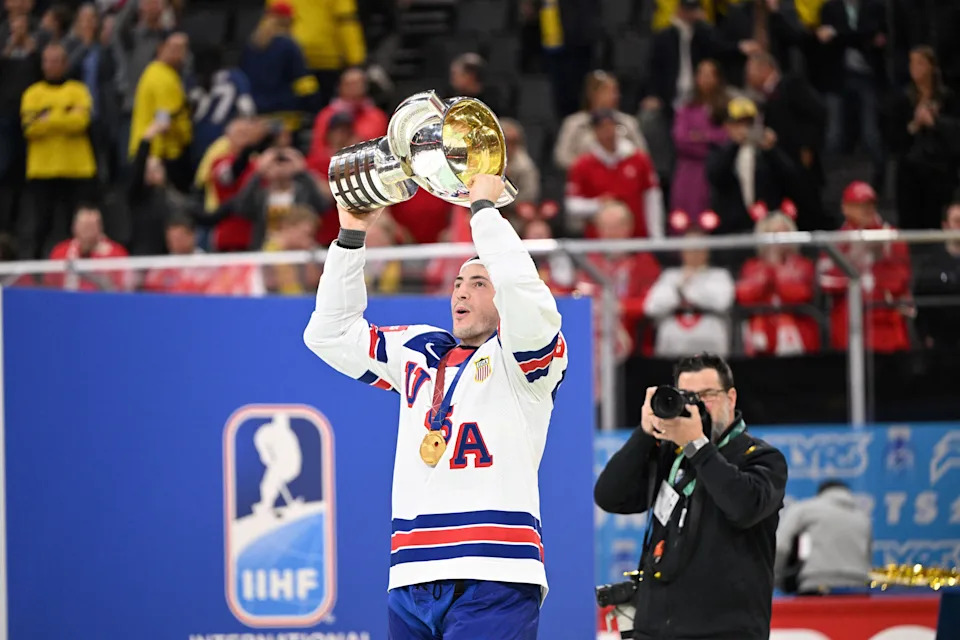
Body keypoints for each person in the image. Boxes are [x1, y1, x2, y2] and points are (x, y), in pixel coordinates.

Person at [303, 174, 568, 639]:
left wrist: (484, 210)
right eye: (459, 282)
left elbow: (529, 297)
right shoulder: (420, 352)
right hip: (411, 575)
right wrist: (350, 237)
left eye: (480, 282)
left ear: (503, 297)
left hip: (495, 572)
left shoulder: (526, 361)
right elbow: (328, 334)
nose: (461, 291)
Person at [595, 353, 787, 639]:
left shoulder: (762, 458)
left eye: (707, 395)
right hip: (655, 630)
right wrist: (645, 433)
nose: (697, 406)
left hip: (725, 632)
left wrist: (697, 444)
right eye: (687, 396)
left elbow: (743, 506)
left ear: (731, 398)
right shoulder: (671, 456)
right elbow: (609, 496)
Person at [775, 480, 872, 594]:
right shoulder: (863, 518)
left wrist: (776, 580)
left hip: (816, 584)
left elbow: (780, 547)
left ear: (821, 493)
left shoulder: (804, 510)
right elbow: (867, 557)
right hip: (858, 588)